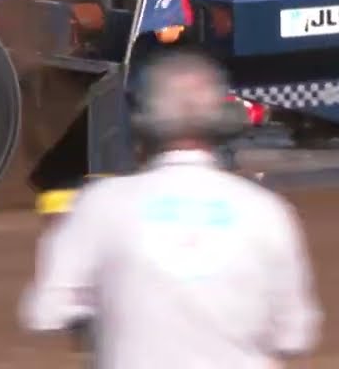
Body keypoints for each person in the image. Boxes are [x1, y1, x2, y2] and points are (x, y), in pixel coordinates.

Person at [18, 51, 322, 367]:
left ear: (142, 126)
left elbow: (45, 311)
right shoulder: (266, 212)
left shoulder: (100, 206)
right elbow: (294, 335)